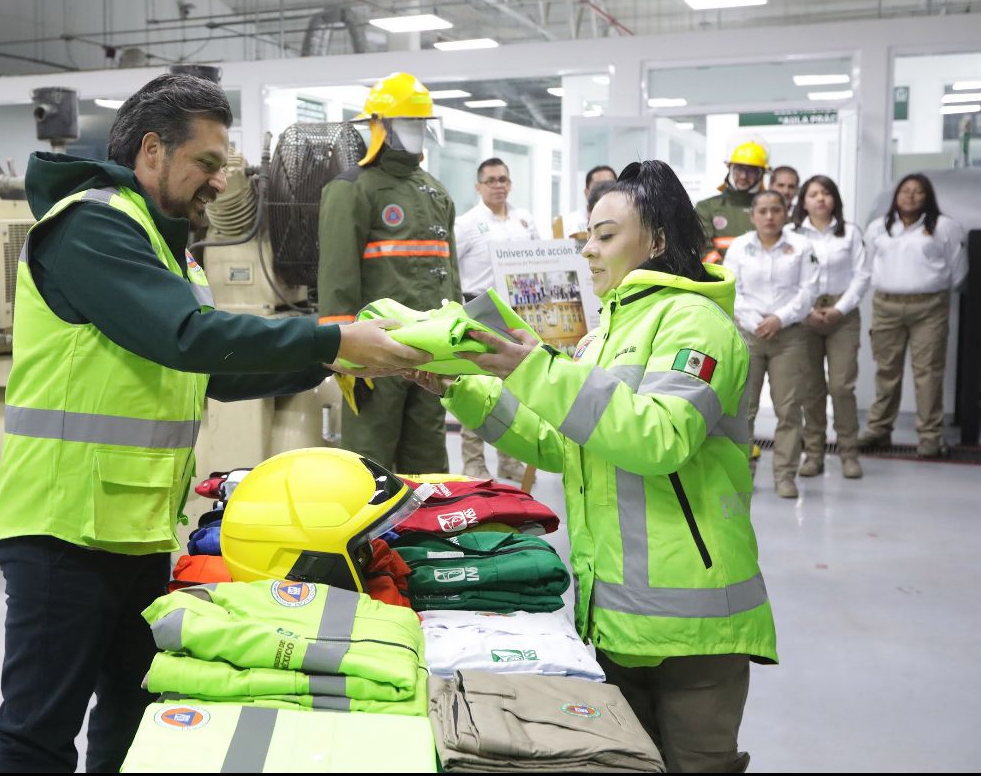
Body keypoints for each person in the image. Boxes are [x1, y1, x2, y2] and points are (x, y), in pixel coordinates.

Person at [0, 73, 424, 773]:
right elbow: (187, 337)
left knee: (134, 707)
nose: (220, 183)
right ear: (152, 151)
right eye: (208, 164)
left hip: (132, 523)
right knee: (36, 734)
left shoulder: (161, 242)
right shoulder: (91, 225)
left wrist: (339, 363)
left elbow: (206, 369)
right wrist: (333, 339)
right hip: (62, 527)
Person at [408, 159, 776, 773]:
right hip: (612, 615)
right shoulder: (604, 332)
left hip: (693, 627)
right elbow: (561, 444)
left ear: (657, 240)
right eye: (588, 235)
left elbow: (659, 439)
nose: (588, 250)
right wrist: (459, 388)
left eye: (605, 236)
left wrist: (532, 368)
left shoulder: (696, 323)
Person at [318, 71, 461, 473]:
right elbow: (336, 278)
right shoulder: (352, 190)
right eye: (407, 122)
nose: (416, 131)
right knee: (369, 466)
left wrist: (460, 336)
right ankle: (365, 537)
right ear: (379, 127)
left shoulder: (435, 191)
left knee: (430, 465)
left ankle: (429, 535)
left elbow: (451, 276)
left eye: (421, 122)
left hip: (432, 354)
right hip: (375, 354)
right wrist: (340, 349)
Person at [859, 173, 968, 458]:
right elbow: (867, 268)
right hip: (886, 306)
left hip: (929, 308)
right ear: (896, 196)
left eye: (918, 191)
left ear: (927, 196)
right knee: (886, 372)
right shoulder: (878, 228)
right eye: (905, 191)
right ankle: (879, 431)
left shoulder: (945, 227)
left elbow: (959, 272)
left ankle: (930, 437)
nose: (910, 196)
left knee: (928, 374)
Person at [722, 190, 818, 499]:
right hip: (748, 335)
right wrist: (755, 322)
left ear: (786, 213)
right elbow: (731, 289)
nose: (769, 216)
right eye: (762, 210)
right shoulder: (739, 246)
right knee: (743, 410)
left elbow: (808, 291)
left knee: (788, 409)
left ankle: (785, 476)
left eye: (775, 210)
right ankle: (743, 475)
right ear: (752, 216)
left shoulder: (801, 246)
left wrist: (779, 318)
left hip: (789, 335)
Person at [454, 157, 539, 480]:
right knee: (475, 386)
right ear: (478, 186)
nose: (498, 185)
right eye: (491, 180)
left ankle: (510, 458)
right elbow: (451, 265)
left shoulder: (524, 220)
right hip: (478, 310)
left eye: (503, 179)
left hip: (517, 313)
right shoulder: (467, 223)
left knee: (514, 388)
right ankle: (473, 460)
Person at [787, 175, 870, 479]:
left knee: (841, 386)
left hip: (842, 315)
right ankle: (814, 455)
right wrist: (805, 311)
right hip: (804, 315)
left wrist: (838, 309)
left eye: (825, 193)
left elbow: (862, 276)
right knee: (811, 389)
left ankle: (849, 453)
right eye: (813, 194)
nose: (820, 199)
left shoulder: (850, 233)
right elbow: (788, 279)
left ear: (834, 198)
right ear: (803, 201)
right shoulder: (791, 234)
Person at [695, 140, 769, 264]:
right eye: (739, 169)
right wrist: (730, 273)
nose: (744, 176)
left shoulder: (770, 209)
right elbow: (702, 248)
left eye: (751, 171)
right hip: (721, 279)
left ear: (761, 175)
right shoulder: (706, 207)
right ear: (730, 168)